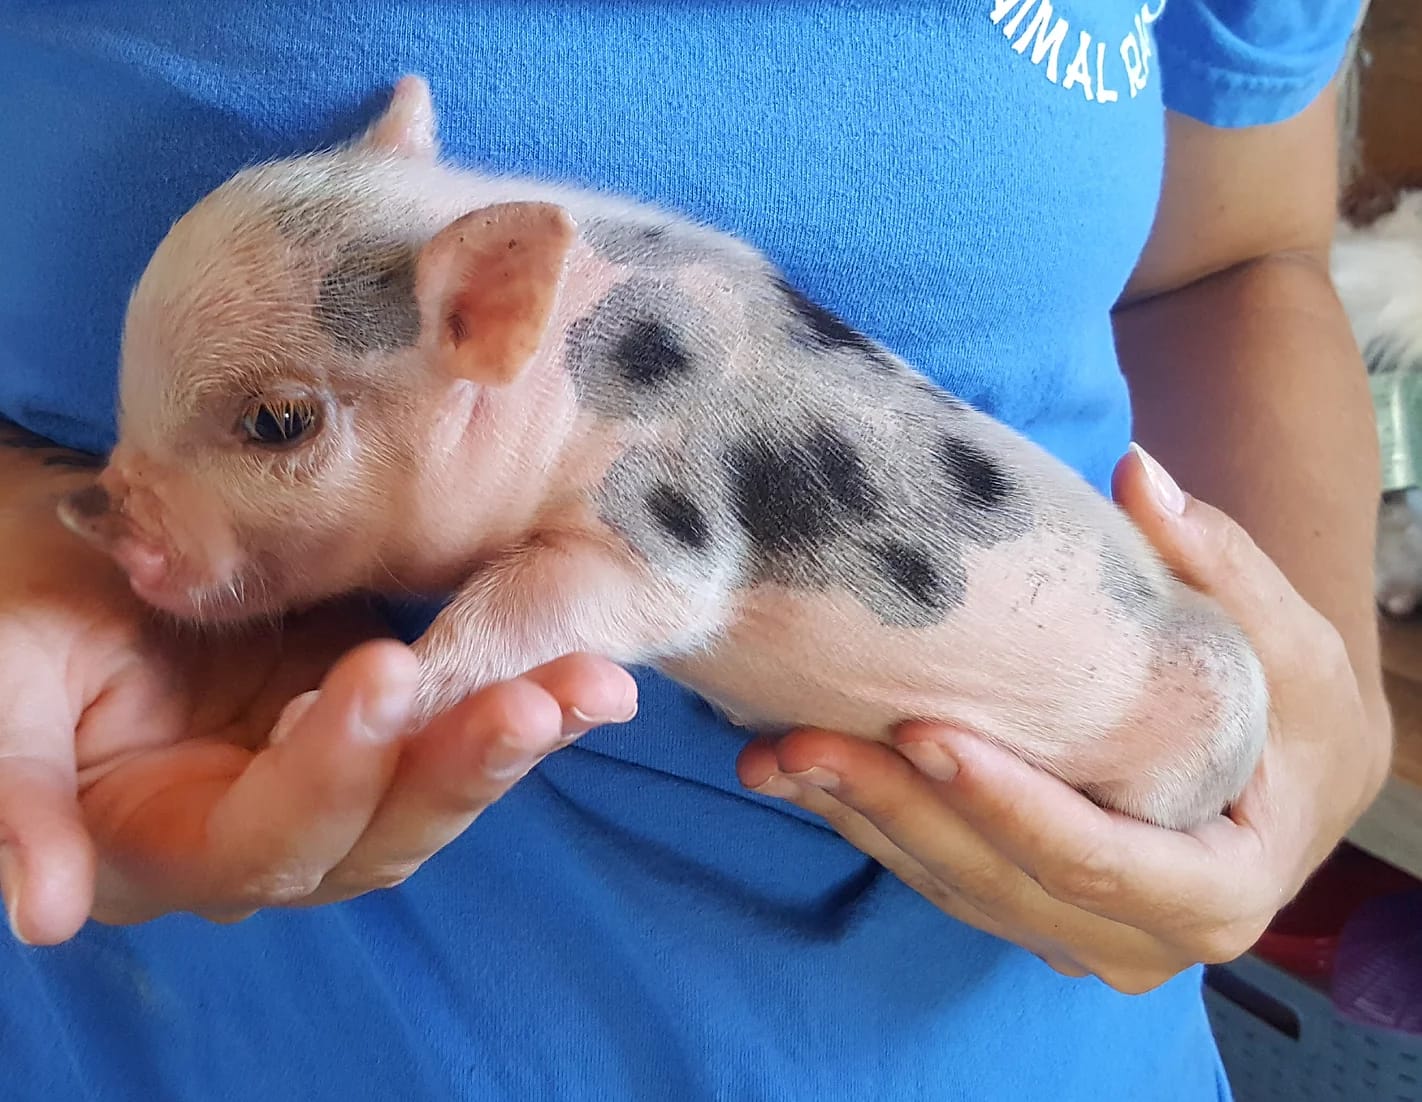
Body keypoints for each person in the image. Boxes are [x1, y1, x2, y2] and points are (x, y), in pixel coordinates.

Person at [0, 2, 1390, 1099]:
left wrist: (1311, 733)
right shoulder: (615, 311)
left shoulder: (636, 386)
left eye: (278, 422)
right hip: (222, 1033)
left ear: (492, 302)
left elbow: (1240, 255)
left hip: (1010, 1006)